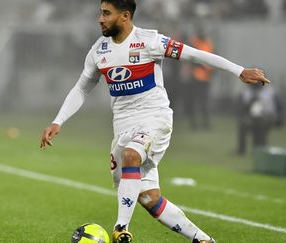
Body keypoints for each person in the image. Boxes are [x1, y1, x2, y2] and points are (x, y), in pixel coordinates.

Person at [40, 0, 270, 242]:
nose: (101, 19)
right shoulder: (99, 51)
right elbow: (81, 88)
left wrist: (239, 70)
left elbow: (194, 55)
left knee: (131, 155)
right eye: (101, 13)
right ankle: (203, 239)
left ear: (125, 16)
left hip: (155, 118)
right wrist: (58, 121)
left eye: (107, 13)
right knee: (149, 197)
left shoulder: (150, 41)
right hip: (123, 127)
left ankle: (121, 228)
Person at [237, 84, 282, 155]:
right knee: (243, 124)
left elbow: (278, 107)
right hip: (252, 117)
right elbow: (242, 108)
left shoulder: (270, 91)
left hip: (268, 117)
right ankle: (241, 150)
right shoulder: (246, 91)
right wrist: (251, 101)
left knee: (260, 125)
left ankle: (261, 147)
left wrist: (278, 118)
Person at [186, 26, 214, 130]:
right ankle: (194, 124)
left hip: (205, 78)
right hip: (196, 77)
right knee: (195, 102)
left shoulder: (207, 43)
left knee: (204, 102)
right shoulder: (195, 42)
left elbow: (212, 58)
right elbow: (192, 59)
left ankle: (205, 123)